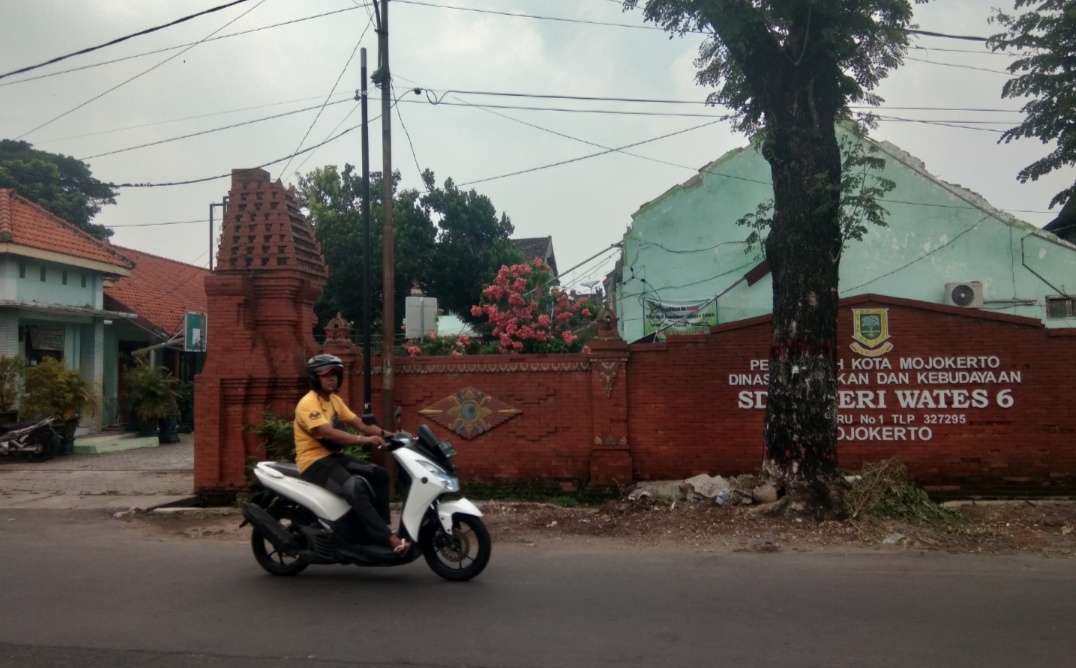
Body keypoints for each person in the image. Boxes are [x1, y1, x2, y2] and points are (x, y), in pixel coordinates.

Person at [293, 354, 410, 554]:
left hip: (332, 458)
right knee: (354, 489)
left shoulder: (334, 400)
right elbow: (327, 432)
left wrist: (392, 435)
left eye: (335, 375)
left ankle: (379, 529)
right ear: (315, 378)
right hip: (314, 463)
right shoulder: (308, 403)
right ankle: (387, 538)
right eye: (326, 375)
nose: (332, 378)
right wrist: (364, 440)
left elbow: (360, 424)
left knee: (379, 474)